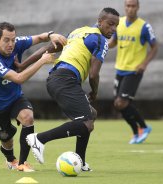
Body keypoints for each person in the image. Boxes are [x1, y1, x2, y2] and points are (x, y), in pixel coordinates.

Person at [25, 8, 120, 171]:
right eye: (110, 24)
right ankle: (39, 139)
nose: (112, 29)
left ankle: (81, 161)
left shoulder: (78, 32)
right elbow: (93, 74)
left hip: (57, 79)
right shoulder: (100, 39)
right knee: (87, 123)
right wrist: (95, 92)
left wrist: (23, 64)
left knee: (91, 115)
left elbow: (48, 48)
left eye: (116, 26)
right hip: (65, 80)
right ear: (100, 21)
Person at [0, 22, 66, 172]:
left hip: (15, 98)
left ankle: (22, 163)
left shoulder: (17, 44)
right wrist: (42, 61)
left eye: (13, 39)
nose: (11, 44)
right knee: (7, 140)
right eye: (6, 40)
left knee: (28, 117)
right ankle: (10, 158)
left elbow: (40, 38)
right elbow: (19, 78)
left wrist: (50, 35)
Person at [108, 0, 158, 144]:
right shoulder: (119, 23)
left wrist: (144, 64)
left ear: (138, 7)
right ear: (124, 7)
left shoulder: (144, 26)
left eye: (133, 6)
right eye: (127, 6)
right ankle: (137, 132)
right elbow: (114, 42)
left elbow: (155, 47)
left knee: (121, 102)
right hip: (120, 69)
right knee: (118, 104)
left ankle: (143, 127)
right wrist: (103, 44)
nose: (130, 9)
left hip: (134, 70)